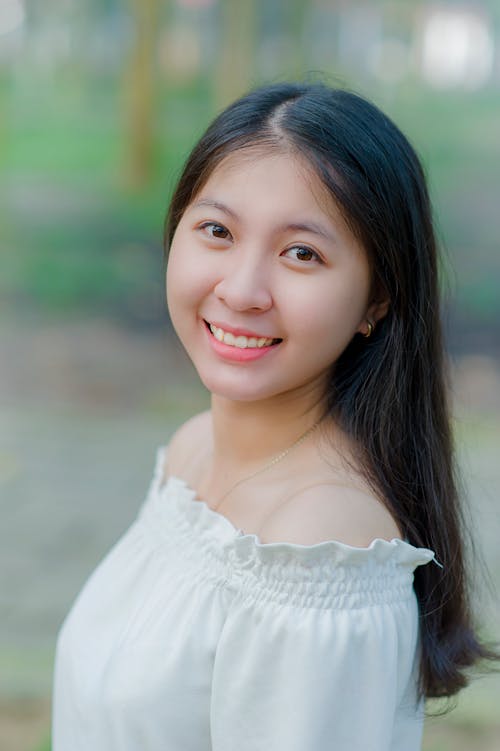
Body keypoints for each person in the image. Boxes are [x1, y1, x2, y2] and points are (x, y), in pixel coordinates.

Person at [52, 81, 495, 750]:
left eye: (301, 253)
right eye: (218, 231)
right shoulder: (192, 449)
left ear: (377, 301)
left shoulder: (320, 549)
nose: (240, 289)